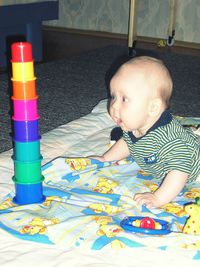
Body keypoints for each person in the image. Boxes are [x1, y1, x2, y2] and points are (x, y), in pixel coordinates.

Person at [93, 56, 200, 208]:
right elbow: (127, 143)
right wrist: (105, 158)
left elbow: (180, 170)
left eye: (124, 99)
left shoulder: (169, 140)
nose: (114, 105)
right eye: (113, 96)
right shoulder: (134, 126)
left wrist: (158, 198)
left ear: (153, 108)